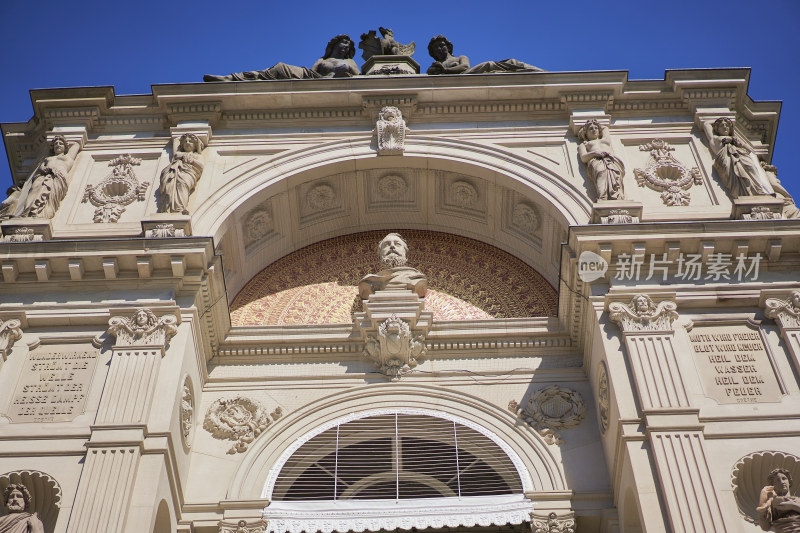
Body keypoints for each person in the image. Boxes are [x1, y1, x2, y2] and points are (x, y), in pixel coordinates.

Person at [702, 117, 774, 198]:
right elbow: (706, 123)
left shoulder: (736, 140)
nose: (725, 127)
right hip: (727, 160)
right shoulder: (714, 139)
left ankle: (759, 190)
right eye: (722, 125)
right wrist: (723, 119)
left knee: (752, 168)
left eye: (727, 125)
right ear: (717, 129)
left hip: (742, 155)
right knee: (738, 177)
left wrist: (739, 143)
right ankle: (745, 194)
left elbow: (750, 150)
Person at [13, 135, 80, 219]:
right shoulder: (48, 158)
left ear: (66, 147)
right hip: (43, 176)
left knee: (51, 195)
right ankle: (29, 211)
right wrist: (45, 169)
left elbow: (77, 144)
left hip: (57, 177)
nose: (58, 145)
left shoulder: (68, 157)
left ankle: (42, 213)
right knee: (34, 192)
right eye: (56, 144)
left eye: (61, 143)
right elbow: (40, 167)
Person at [358, 233, 428, 300]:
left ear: (405, 254)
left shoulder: (417, 278)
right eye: (386, 245)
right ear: (380, 254)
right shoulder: (368, 281)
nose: (392, 246)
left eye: (397, 244)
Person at [578, 120, 626, 200]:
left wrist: (595, 122)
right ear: (586, 133)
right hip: (597, 161)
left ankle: (618, 195)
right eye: (590, 129)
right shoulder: (584, 144)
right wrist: (594, 153)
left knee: (616, 176)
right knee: (601, 172)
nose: (594, 130)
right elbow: (583, 158)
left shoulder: (605, 139)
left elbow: (605, 128)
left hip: (611, 160)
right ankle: (603, 196)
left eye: (596, 128)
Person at [158, 133, 205, 215]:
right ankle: (168, 207)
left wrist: (193, 161)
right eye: (185, 141)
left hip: (188, 174)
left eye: (190, 141)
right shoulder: (178, 154)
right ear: (182, 145)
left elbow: (201, 166)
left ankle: (180, 208)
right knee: (170, 187)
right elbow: (176, 148)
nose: (187, 142)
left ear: (195, 145)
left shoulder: (197, 156)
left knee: (183, 185)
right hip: (175, 172)